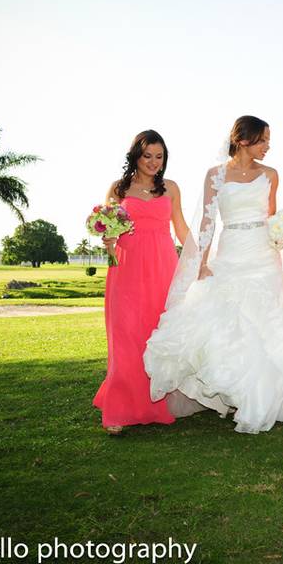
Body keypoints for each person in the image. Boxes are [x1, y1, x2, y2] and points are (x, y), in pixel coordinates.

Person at [143, 116, 283, 434]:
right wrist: (201, 262)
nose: (268, 146)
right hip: (230, 253)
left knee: (269, 321)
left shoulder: (271, 175)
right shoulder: (215, 175)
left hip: (263, 256)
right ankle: (239, 392)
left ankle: (272, 395)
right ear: (243, 139)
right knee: (228, 320)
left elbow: (271, 219)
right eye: (263, 140)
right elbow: (207, 222)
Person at [93, 130, 190, 435]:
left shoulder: (171, 188)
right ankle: (120, 409)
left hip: (163, 266)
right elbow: (109, 236)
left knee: (156, 334)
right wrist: (108, 242)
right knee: (126, 335)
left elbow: (181, 229)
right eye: (147, 155)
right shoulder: (118, 189)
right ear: (135, 155)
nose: (153, 162)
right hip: (127, 267)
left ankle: (155, 405)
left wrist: (201, 260)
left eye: (159, 156)